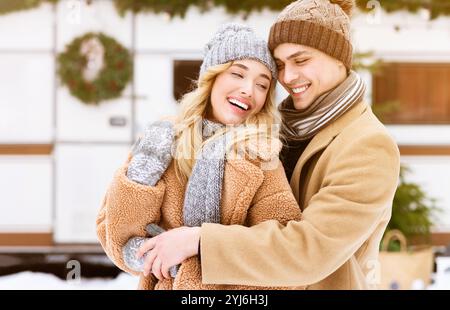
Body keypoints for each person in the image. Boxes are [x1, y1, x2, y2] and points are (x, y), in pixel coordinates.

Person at [138, 0, 401, 290]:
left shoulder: (369, 145)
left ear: (339, 57)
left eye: (301, 61)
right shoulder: (266, 129)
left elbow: (309, 251)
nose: (287, 77)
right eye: (280, 65)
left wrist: (199, 241)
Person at [96, 23, 304, 290]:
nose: (248, 90)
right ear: (212, 76)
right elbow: (116, 238)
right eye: (237, 74)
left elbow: (281, 254)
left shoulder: (262, 158)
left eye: (262, 85)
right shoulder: (165, 140)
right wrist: (143, 173)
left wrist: (194, 257)